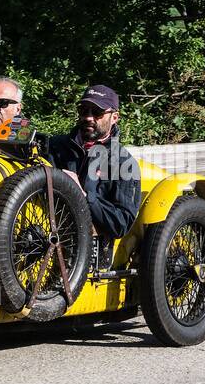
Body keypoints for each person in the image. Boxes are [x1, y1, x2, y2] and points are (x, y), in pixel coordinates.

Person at [45, 84, 142, 268]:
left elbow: (121, 224)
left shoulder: (124, 163)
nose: (88, 117)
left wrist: (83, 196)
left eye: (97, 112)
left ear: (114, 117)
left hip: (88, 257)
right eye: (83, 110)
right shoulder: (54, 147)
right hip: (43, 236)